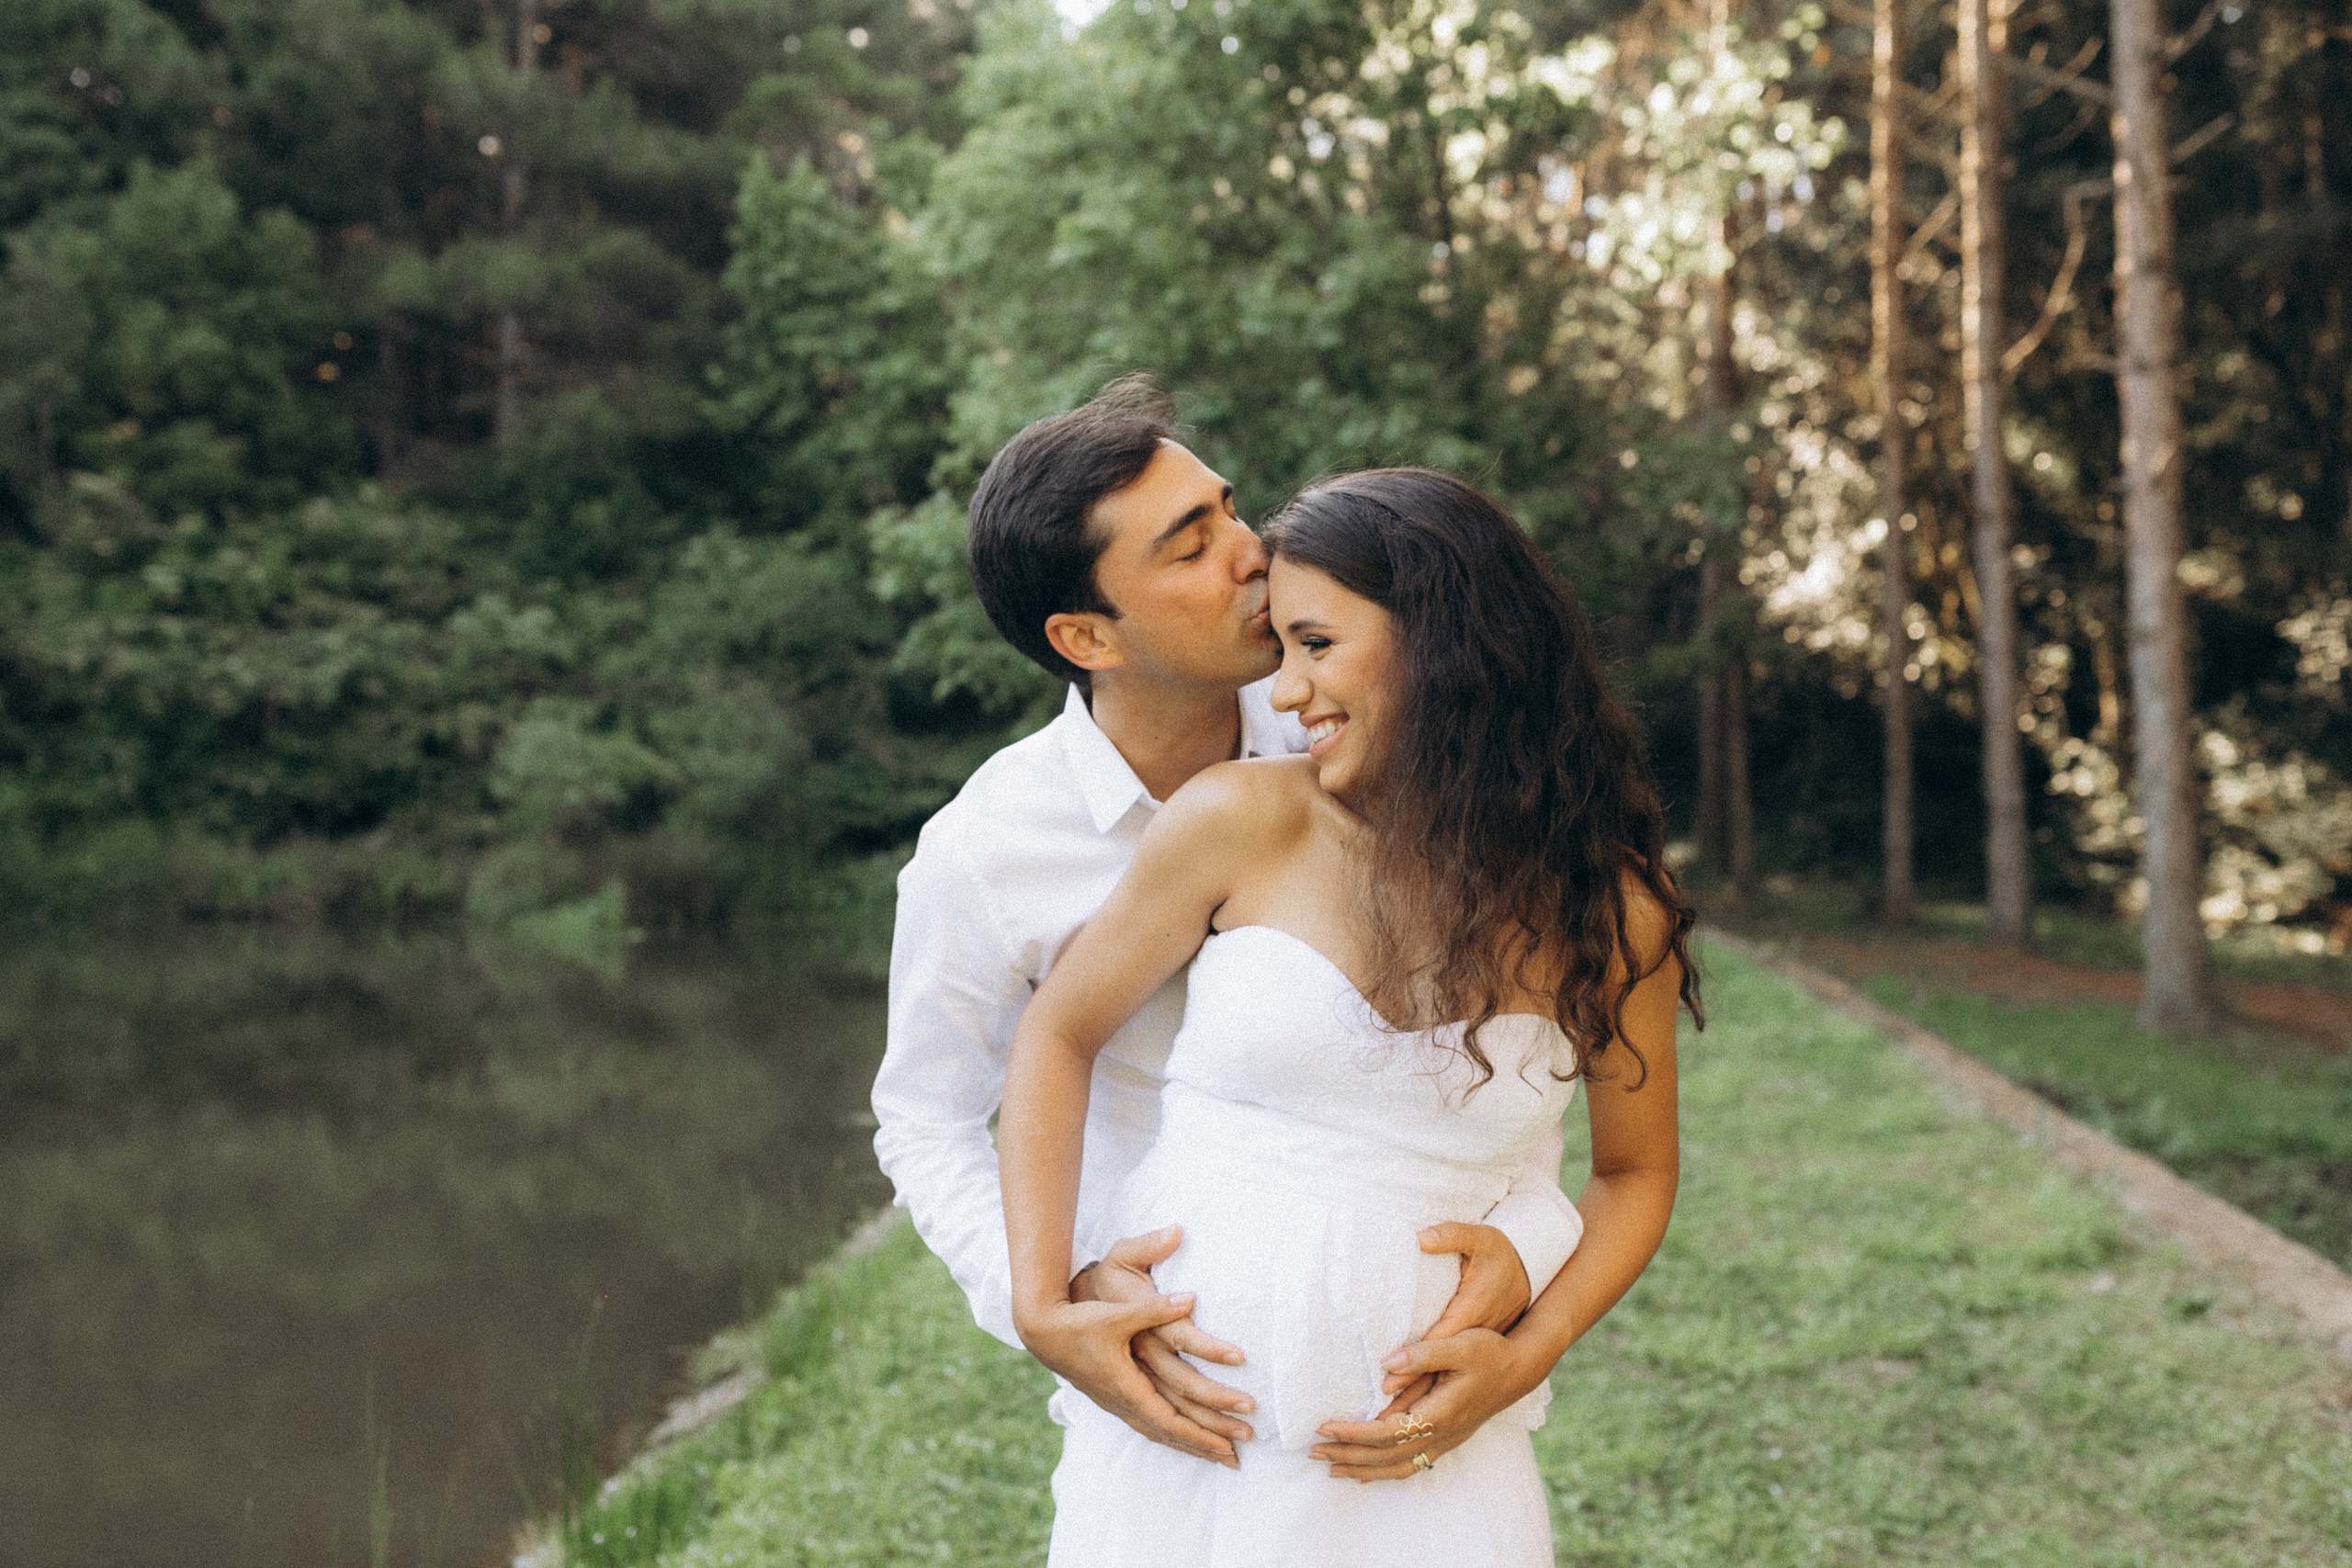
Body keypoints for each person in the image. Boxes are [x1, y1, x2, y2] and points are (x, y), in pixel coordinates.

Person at [871, 381, 1589, 1470]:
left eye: (1230, 510)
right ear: (1084, 634)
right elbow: (925, 1122)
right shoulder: (983, 854)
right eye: (1190, 545)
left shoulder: (1369, 735)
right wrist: (1057, 1297)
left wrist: (1532, 1248)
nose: (1252, 554)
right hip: (1180, 1366)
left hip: (1401, 1351)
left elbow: (1493, 1043)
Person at [999, 468, 1696, 1562]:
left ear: (1449, 642)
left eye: (1316, 645)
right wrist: (1044, 1299)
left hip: (1431, 1472)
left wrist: (1530, 1351)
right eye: (1279, 650)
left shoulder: (1611, 913)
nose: (1284, 693)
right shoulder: (1237, 821)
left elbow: (1632, 1174)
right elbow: (1059, 1031)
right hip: (1185, 1458)